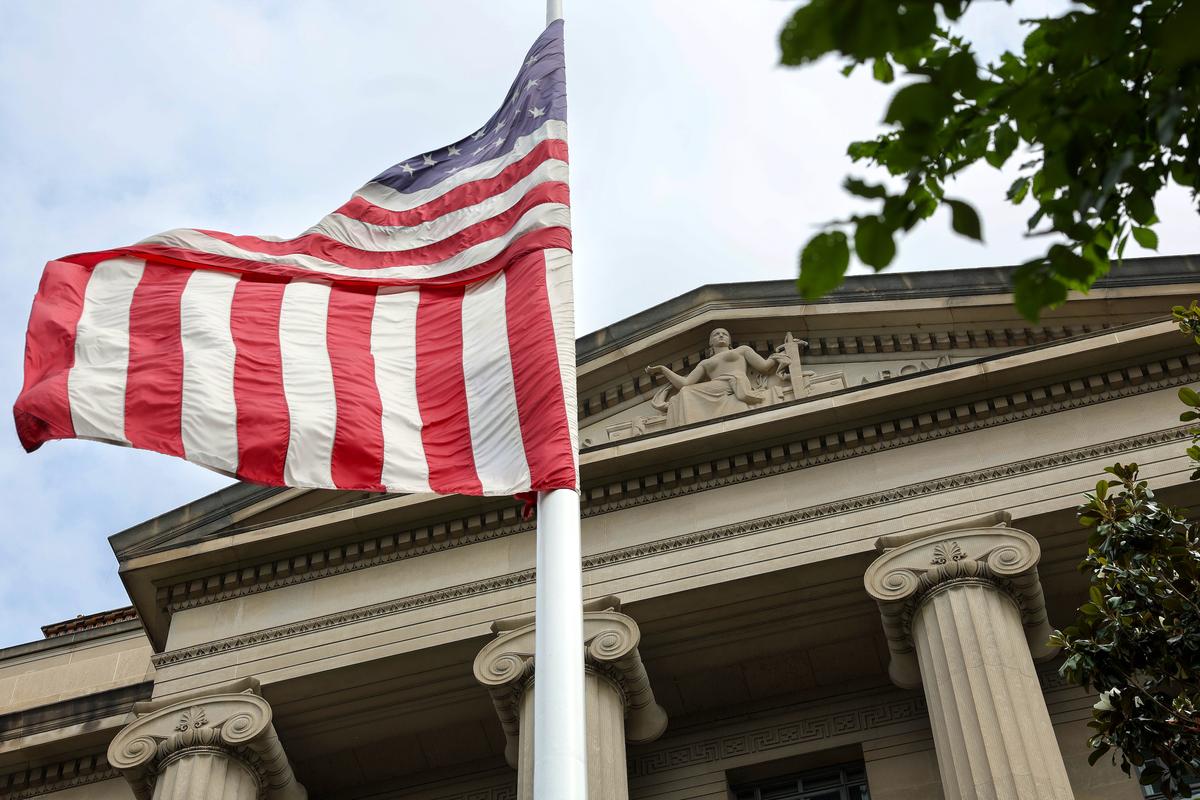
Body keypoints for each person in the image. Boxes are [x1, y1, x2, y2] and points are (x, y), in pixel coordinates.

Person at [645, 328, 791, 428]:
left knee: (686, 393)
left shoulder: (742, 350)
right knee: (685, 393)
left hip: (734, 382)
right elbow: (685, 383)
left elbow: (764, 366)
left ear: (729, 341)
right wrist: (663, 370)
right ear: (710, 342)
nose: (721, 335)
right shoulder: (705, 363)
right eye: (716, 334)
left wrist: (781, 354)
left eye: (724, 334)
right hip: (716, 386)